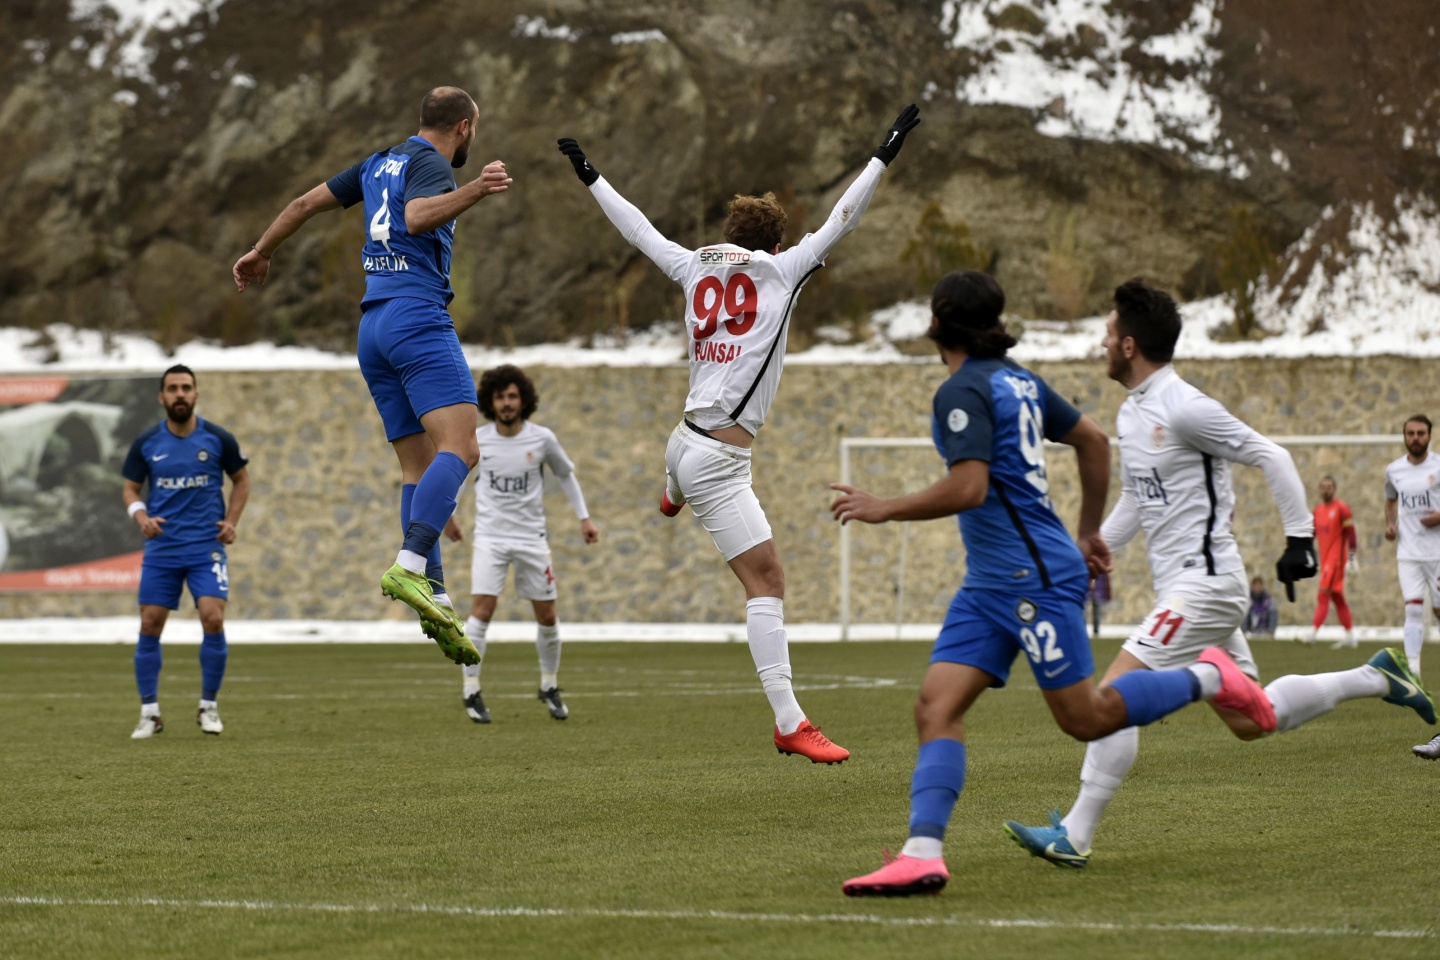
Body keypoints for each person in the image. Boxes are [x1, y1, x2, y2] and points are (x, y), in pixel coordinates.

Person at [828, 271, 1278, 897]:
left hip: (1032, 579)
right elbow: (1092, 441)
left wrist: (886, 507)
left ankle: (1210, 677)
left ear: (939, 321)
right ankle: (922, 853)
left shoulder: (962, 390)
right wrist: (1088, 531)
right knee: (936, 707)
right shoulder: (1019, 379)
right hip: (991, 582)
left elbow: (970, 487)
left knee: (1086, 718)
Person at [1003, 280, 1434, 869]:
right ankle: (1378, 676)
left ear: (1129, 345)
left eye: (1107, 332)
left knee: (1110, 697)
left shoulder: (1184, 406)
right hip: (1194, 591)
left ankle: (1075, 835)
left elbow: (1271, 455)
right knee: (1251, 718)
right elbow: (1138, 497)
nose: (1100, 342)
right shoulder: (1133, 412)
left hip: (1204, 586)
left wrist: (1299, 538)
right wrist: (1093, 549)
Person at [554, 104, 926, 764]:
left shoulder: (694, 265)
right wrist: (884, 154)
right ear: (776, 246)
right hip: (718, 461)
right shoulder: (782, 271)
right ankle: (789, 721)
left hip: (685, 439)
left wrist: (590, 175)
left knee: (688, 473)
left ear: (730, 233)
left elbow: (638, 230)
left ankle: (671, 489)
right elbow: (844, 216)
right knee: (768, 582)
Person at [232, 86, 513, 667]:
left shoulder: (376, 162)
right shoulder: (431, 163)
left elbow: (302, 204)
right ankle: (409, 567)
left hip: (373, 327)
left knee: (417, 466)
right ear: (464, 127)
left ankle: (436, 595)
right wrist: (477, 190)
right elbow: (416, 217)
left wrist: (261, 251)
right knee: (462, 448)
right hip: (417, 317)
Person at [457, 365, 600, 724]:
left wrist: (584, 518)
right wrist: (449, 514)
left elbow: (566, 475)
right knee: (482, 611)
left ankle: (549, 685)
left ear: (523, 400)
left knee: (548, 616)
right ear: (490, 402)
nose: (506, 403)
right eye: (500, 397)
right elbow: (459, 477)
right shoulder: (479, 440)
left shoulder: (542, 439)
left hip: (531, 538)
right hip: (490, 538)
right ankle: (471, 689)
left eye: (512, 396)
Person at [121, 365, 251, 739]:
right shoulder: (147, 442)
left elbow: (242, 480)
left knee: (213, 618)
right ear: (162, 397)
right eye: (173, 388)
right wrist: (141, 516)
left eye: (186, 387)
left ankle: (208, 707)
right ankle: (149, 713)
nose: (180, 394)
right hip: (162, 548)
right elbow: (130, 489)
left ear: (196, 394)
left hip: (205, 547)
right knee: (150, 623)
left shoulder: (218, 439)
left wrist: (231, 521)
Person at [1384, 414, 1440, 677]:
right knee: (1413, 608)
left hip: (1437, 552)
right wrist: (1390, 524)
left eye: (1420, 433)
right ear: (1404, 436)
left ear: (1429, 436)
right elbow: (1391, 499)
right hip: (1408, 552)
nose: (1415, 438)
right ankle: (1413, 672)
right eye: (1411, 434)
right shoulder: (1394, 470)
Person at [1310, 475, 1358, 647]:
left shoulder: (1341, 508)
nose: (1326, 490)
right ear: (1319, 489)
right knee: (1337, 598)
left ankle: (1312, 633)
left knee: (1323, 594)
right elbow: (1312, 534)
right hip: (1325, 561)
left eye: (1329, 487)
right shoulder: (1317, 511)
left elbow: (1351, 533)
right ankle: (1350, 636)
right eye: (1323, 487)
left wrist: (1352, 558)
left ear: (1335, 489)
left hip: (1336, 560)